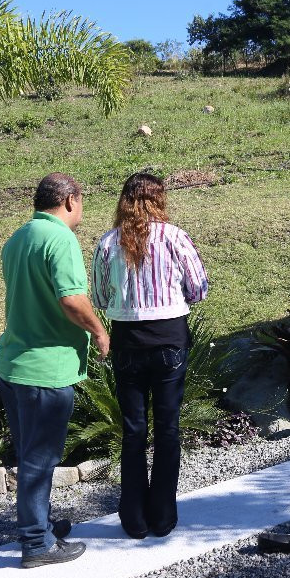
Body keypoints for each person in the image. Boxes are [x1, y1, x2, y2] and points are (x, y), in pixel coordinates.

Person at [0, 172, 110, 568]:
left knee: (30, 455)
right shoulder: (60, 239)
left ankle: (37, 525)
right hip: (45, 370)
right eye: (82, 203)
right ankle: (37, 544)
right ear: (71, 200)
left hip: (12, 364)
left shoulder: (19, 237)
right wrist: (99, 330)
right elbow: (72, 299)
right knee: (40, 460)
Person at [91, 172, 208, 539]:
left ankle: (134, 519)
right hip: (170, 338)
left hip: (128, 342)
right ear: (160, 200)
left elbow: (99, 298)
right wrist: (175, 300)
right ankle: (162, 516)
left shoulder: (109, 242)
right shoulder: (176, 238)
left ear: (123, 201)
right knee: (168, 428)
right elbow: (199, 287)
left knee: (133, 430)